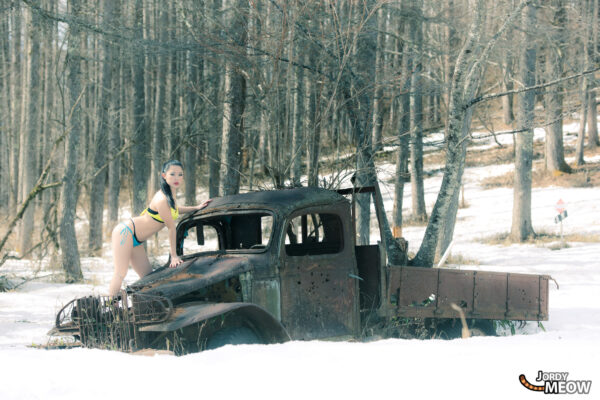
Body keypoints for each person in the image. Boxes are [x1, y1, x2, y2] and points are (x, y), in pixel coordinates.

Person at [108, 160, 211, 297]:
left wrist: (196, 208)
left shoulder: (170, 194)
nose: (176, 178)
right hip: (125, 232)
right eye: (172, 174)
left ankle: (142, 307)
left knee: (148, 277)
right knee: (121, 273)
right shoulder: (162, 198)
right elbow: (171, 228)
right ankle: (110, 306)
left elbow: (174, 210)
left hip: (136, 239)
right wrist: (174, 256)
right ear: (164, 175)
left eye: (180, 175)